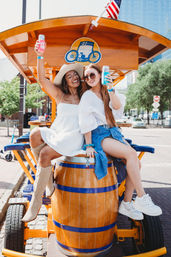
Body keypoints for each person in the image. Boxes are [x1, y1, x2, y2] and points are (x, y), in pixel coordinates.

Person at [79, 64, 162, 220]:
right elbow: (85, 121)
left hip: (113, 131)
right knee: (131, 154)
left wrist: (110, 88)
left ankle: (126, 202)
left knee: (136, 162)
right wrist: (89, 144)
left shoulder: (106, 92)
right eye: (86, 77)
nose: (88, 79)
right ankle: (142, 197)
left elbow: (117, 108)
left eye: (92, 75)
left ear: (99, 75)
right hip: (99, 134)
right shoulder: (87, 96)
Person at [22, 40, 85, 222]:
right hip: (59, 131)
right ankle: (48, 182)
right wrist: (40, 55)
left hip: (74, 137)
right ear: (65, 81)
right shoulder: (60, 95)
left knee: (44, 155)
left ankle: (36, 203)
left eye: (75, 75)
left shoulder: (85, 96)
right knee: (34, 133)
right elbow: (42, 79)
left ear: (79, 79)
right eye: (69, 76)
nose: (73, 77)